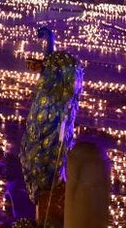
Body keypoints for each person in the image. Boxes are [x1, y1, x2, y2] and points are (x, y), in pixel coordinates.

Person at [20, 27, 84, 224]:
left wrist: (50, 44)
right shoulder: (47, 99)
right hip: (41, 141)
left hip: (49, 154)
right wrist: (50, 42)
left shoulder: (60, 106)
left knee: (46, 169)